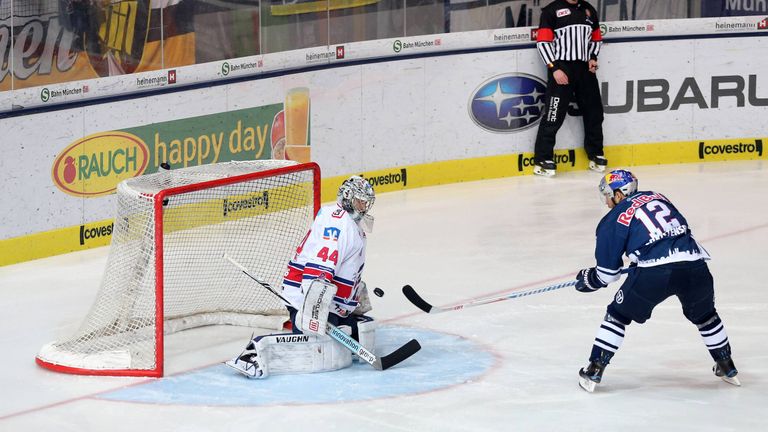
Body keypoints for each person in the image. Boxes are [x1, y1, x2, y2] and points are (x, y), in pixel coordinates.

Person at [574, 169, 739, 392]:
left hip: (654, 272)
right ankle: (726, 365)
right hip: (695, 264)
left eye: (608, 195)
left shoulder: (612, 219)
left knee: (617, 315)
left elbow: (608, 274)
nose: (606, 202)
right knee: (706, 316)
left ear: (619, 194)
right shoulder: (658, 197)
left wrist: (589, 279)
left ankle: (594, 369)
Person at [225, 176, 377, 378]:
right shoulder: (339, 223)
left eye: (366, 202)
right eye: (360, 201)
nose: (364, 207)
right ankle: (255, 350)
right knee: (313, 348)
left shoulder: (348, 223)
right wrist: (313, 311)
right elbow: (319, 271)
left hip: (329, 302)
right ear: (348, 198)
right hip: (306, 297)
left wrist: (354, 295)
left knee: (350, 334)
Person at [533, 0, 607, 177]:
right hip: (561, 68)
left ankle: (596, 154)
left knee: (594, 113)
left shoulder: (588, 9)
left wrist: (593, 57)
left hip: (585, 70)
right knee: (553, 115)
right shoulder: (551, 10)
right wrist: (554, 68)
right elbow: (543, 42)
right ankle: (542, 159)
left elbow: (596, 38)